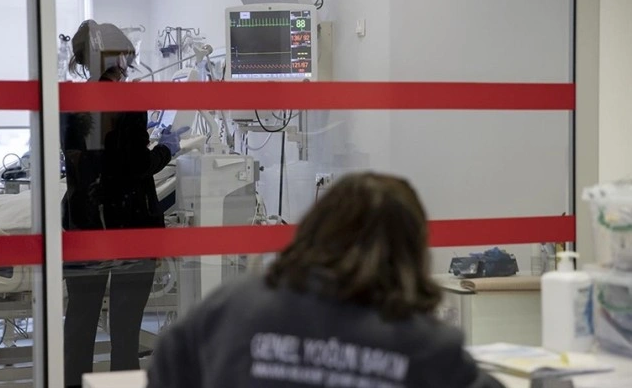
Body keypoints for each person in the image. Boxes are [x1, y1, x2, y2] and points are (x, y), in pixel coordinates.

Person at [147, 172, 504, 388]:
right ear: (410, 252)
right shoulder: (425, 346)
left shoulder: (232, 306)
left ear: (315, 228)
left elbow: (167, 367)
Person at [60, 20, 187, 387]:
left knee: (79, 324)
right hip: (130, 224)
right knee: (126, 330)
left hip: (83, 223)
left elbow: (92, 159)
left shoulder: (68, 103)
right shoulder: (128, 101)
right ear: (117, 59)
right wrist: (166, 148)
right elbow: (135, 166)